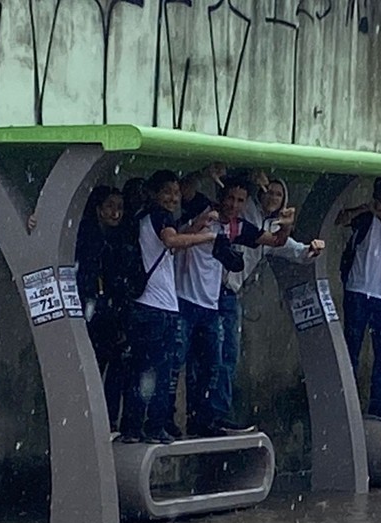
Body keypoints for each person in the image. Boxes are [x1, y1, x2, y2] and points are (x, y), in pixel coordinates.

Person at [173, 175, 287, 437]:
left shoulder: (237, 227)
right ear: (221, 197)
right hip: (183, 300)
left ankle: (208, 418)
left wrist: (287, 226)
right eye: (231, 199)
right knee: (177, 363)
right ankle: (170, 420)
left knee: (215, 362)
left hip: (211, 303)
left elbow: (276, 241)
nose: (234, 205)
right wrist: (206, 169)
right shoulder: (205, 211)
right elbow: (184, 189)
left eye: (240, 201)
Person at [120, 170, 217, 444]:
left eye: (176, 192)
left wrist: (198, 225)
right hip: (159, 307)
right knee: (161, 372)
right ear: (154, 193)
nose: (174, 198)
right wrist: (208, 238)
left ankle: (131, 428)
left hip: (142, 305)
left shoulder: (142, 217)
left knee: (140, 370)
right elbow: (172, 240)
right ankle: (154, 428)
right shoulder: (160, 215)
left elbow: (175, 236)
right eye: (168, 192)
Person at [335, 177, 381, 419]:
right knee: (352, 348)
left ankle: (376, 402)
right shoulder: (365, 218)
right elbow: (340, 219)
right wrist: (365, 208)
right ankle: (348, 402)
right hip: (357, 292)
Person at [74, 185, 125, 432]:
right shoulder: (86, 235)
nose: (115, 213)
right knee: (90, 366)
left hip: (109, 310)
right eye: (110, 207)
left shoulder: (119, 238)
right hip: (90, 307)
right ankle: (92, 421)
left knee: (112, 364)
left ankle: (108, 420)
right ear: (98, 209)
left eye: (119, 208)